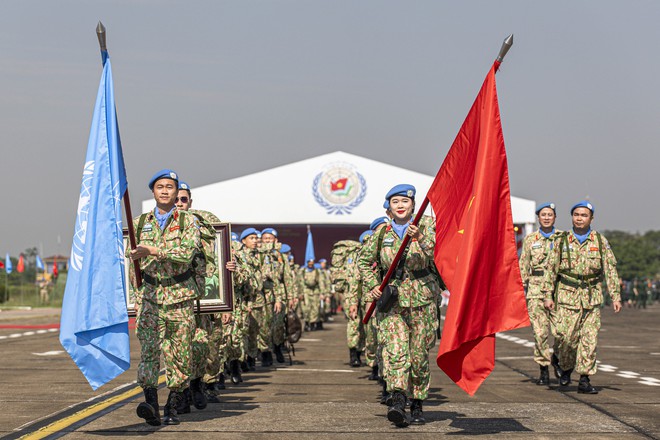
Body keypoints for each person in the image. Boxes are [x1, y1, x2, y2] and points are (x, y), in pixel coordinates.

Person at [358, 184, 440, 427]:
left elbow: (438, 255)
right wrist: (373, 285)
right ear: (389, 208)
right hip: (393, 301)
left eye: (405, 201)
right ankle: (397, 399)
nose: (401, 205)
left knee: (418, 356)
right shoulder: (382, 233)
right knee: (395, 351)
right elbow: (364, 261)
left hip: (422, 300)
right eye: (395, 202)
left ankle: (417, 402)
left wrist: (421, 238)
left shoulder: (427, 228)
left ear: (413, 205)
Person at [130, 169, 201, 426]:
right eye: (160, 186)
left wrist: (153, 250)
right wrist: (135, 294)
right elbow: (131, 262)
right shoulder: (139, 223)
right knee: (149, 352)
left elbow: (186, 253)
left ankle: (172, 404)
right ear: (153, 191)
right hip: (150, 297)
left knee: (179, 354)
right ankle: (150, 403)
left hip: (179, 298)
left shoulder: (187, 221)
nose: (164, 190)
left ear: (176, 191)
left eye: (170, 187)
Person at [542, 200, 622, 394]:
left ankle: (585, 379)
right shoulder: (561, 241)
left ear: (591, 218)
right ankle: (564, 365)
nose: (579, 218)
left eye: (584, 215)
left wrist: (615, 296)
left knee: (589, 339)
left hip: (591, 296)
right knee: (566, 338)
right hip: (567, 296)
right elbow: (551, 270)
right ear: (572, 217)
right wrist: (547, 295)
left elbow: (610, 270)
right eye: (576, 214)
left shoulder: (600, 241)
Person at [519, 202, 562, 386]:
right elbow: (524, 264)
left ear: (554, 217)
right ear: (538, 218)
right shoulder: (530, 240)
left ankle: (558, 359)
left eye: (550, 214)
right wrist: (520, 287)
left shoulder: (563, 238)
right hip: (536, 290)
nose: (546, 217)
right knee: (540, 333)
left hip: (558, 291)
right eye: (543, 214)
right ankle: (543, 368)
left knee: (561, 332)